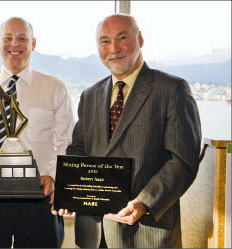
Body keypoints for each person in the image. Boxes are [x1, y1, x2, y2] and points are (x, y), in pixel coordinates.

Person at [58, 14, 202, 248]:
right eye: (105, 41)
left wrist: (144, 202)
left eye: (122, 38)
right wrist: (68, 190)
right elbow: (78, 149)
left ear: (140, 39)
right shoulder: (90, 95)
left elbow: (183, 160)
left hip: (146, 233)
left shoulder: (172, 89)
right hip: (94, 235)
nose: (113, 48)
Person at [0, 17, 75, 248]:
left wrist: (52, 175)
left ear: (33, 43)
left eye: (22, 38)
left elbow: (66, 142)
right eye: (8, 38)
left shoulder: (55, 88)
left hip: (40, 195)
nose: (14, 44)